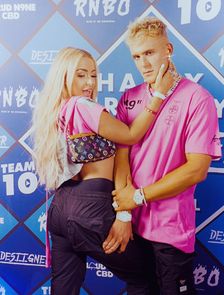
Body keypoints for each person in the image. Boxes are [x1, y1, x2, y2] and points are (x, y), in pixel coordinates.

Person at [31, 47, 176, 295]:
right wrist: (159, 94)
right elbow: (130, 135)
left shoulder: (57, 110)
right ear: (64, 76)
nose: (89, 82)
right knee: (146, 276)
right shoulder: (82, 105)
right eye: (81, 75)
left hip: (60, 209)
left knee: (64, 288)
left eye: (93, 75)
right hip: (91, 209)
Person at [106, 17, 222, 295]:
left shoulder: (197, 98)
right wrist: (123, 215)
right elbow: (121, 158)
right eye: (136, 56)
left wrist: (139, 196)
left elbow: (196, 169)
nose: (143, 63)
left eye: (149, 53)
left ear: (167, 49)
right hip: (133, 228)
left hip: (170, 232)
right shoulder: (129, 98)